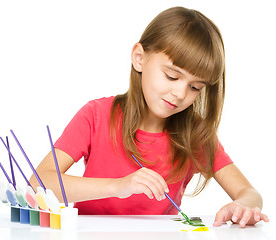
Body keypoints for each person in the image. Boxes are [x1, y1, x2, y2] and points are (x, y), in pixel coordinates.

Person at [29, 6, 269, 227]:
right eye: (172, 76)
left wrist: (243, 206)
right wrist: (119, 186)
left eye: (195, 87)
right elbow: (39, 182)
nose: (180, 93)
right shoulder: (96, 115)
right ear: (139, 58)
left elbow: (250, 193)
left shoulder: (195, 135)